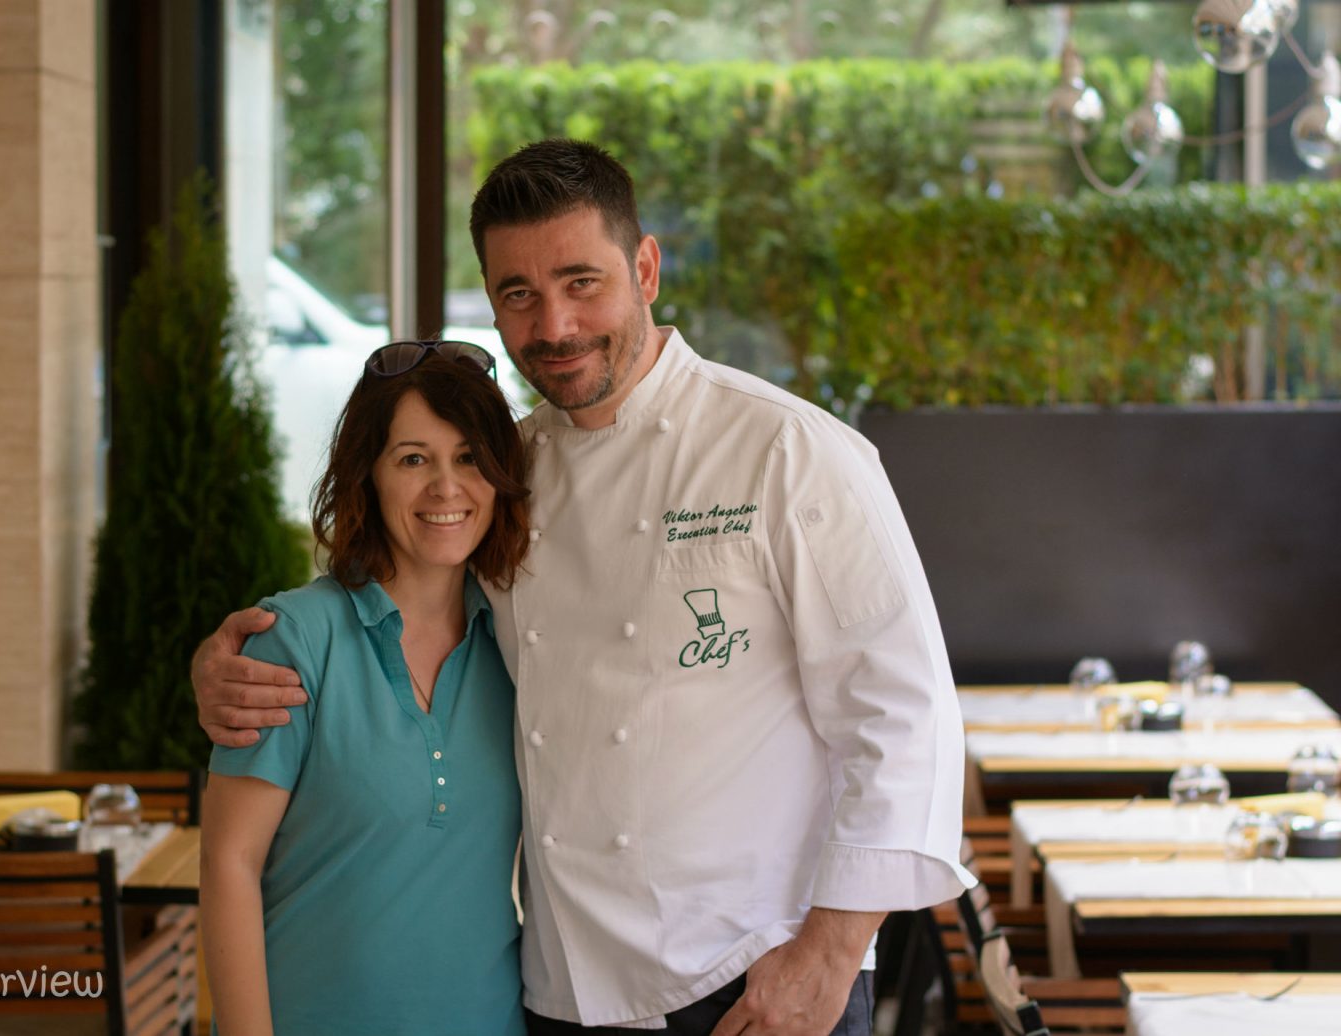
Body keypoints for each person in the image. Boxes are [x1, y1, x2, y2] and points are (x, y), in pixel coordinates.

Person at [194, 139, 973, 1036]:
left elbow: (904, 712)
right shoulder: (507, 469)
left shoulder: (788, 450)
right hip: (564, 995)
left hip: (755, 983)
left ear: (645, 269)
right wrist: (226, 663)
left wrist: (831, 953)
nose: (554, 325)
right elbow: (399, 603)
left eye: (581, 282)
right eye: (518, 294)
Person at [198, 341, 531, 1036]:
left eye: (469, 458)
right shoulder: (296, 638)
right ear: (367, 476)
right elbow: (230, 862)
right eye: (413, 460)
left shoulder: (518, 641)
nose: (446, 488)